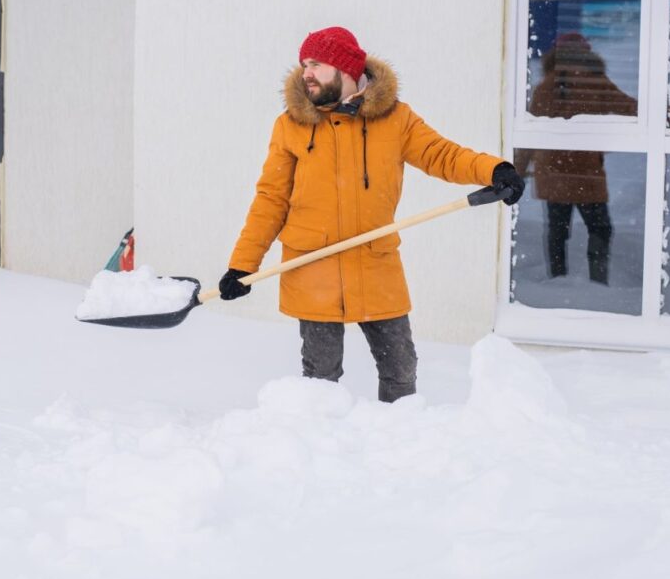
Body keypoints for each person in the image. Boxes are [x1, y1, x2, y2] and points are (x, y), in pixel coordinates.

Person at [217, 27, 524, 403]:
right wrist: (242, 266)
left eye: (316, 64)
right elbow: (271, 200)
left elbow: (442, 155)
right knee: (320, 378)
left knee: (400, 371)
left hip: (374, 263)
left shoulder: (395, 119)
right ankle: (320, 453)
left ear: (345, 69)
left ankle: (398, 446)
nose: (306, 73)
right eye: (303, 65)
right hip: (314, 266)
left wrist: (494, 170)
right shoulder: (291, 126)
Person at [519, 33, 670, 284]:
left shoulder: (544, 87)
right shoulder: (595, 81)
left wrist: (514, 171)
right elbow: (631, 107)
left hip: (553, 173)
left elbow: (529, 133)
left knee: (558, 230)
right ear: (587, 54)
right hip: (585, 173)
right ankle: (597, 281)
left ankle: (557, 280)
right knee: (600, 228)